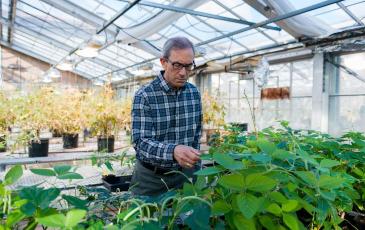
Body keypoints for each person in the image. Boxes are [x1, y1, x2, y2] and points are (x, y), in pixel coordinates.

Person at [130, 37, 202, 196]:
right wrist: (173, 151)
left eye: (188, 66)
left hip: (185, 175)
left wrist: (196, 165)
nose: (183, 72)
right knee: (145, 218)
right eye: (177, 65)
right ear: (163, 62)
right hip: (151, 179)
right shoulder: (145, 95)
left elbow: (196, 134)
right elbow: (140, 142)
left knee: (186, 219)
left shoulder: (193, 93)